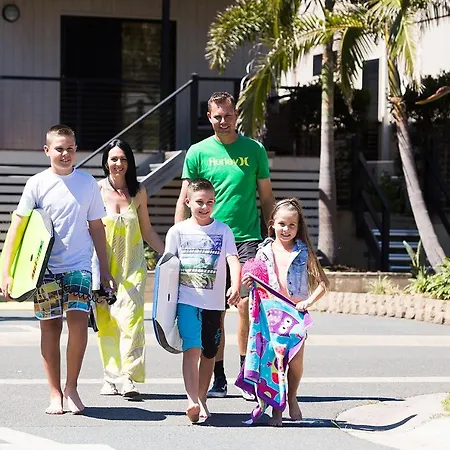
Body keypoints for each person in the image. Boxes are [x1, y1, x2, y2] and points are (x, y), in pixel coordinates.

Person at [1, 124, 115, 415]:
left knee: (78, 323)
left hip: (79, 266)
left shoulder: (88, 183)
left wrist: (104, 269)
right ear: (47, 150)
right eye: (59, 149)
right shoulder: (37, 183)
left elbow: (97, 227)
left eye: (70, 149)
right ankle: (54, 392)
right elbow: (18, 226)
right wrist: (6, 270)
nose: (65, 154)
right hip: (43, 268)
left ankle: (71, 388)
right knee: (50, 327)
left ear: (76, 150)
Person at [175, 92, 275, 398]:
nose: (223, 121)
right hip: (208, 240)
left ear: (236, 115)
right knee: (214, 310)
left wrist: (273, 236)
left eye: (228, 115)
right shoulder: (198, 152)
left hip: (246, 238)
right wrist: (177, 240)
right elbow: (185, 198)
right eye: (217, 116)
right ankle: (218, 376)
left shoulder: (254, 150)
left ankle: (247, 373)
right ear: (209, 117)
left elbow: (266, 197)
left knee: (245, 304)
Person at [242, 198, 329, 426]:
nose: (286, 229)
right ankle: (276, 409)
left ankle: (291, 397)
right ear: (272, 224)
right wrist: (249, 282)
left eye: (292, 225)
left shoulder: (303, 252)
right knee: (273, 363)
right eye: (282, 224)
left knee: (295, 361)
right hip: (269, 316)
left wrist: (307, 302)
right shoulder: (263, 252)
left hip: (295, 315)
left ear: (298, 227)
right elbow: (254, 283)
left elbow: (323, 284)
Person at [93, 139, 164, 398]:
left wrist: (168, 254)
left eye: (123, 159)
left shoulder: (138, 191)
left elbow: (147, 230)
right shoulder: (96, 190)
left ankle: (128, 377)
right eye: (113, 159)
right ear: (105, 162)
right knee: (107, 323)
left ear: (129, 163)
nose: (118, 164)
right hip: (103, 267)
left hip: (132, 268)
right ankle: (110, 376)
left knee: (131, 321)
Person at [167, 178, 240, 422]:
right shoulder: (177, 231)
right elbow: (168, 267)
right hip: (186, 300)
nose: (205, 207)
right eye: (199, 202)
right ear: (188, 202)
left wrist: (235, 285)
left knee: (209, 352)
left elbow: (232, 259)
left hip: (214, 303)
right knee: (192, 348)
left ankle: (202, 397)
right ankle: (192, 400)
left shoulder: (223, 230)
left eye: (210, 202)